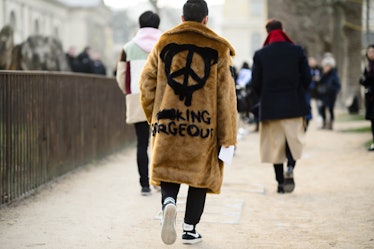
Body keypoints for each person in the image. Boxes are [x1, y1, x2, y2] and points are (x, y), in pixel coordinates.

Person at [139, 0, 237, 245]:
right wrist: (228, 137)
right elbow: (226, 99)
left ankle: (168, 203)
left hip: (168, 123)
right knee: (199, 177)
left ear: (182, 18)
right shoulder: (218, 49)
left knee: (169, 169)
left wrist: (155, 117)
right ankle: (190, 228)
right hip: (204, 128)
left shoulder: (164, 43)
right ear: (206, 19)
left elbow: (147, 83)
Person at [251, 19, 311, 194]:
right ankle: (290, 167)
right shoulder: (297, 51)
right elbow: (307, 78)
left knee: (275, 146)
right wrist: (299, 91)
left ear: (267, 32)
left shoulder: (260, 54)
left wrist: (264, 96)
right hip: (294, 104)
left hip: (270, 107)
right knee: (293, 141)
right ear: (283, 30)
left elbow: (255, 83)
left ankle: (279, 183)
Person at [115, 11, 162, 195]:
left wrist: (129, 92)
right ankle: (159, 181)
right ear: (157, 25)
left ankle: (144, 185)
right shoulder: (165, 45)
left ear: (140, 25)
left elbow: (121, 76)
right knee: (160, 143)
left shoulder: (127, 48)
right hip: (162, 100)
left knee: (141, 143)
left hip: (137, 98)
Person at [317, 54, 341, 130]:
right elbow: (320, 82)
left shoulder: (334, 74)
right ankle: (324, 123)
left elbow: (337, 85)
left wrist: (334, 91)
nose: (326, 68)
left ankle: (330, 125)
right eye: (325, 66)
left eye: (328, 66)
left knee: (330, 109)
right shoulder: (323, 74)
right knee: (322, 109)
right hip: (324, 95)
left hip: (331, 95)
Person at [360, 44, 374, 151]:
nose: (371, 54)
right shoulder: (367, 65)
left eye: (373, 52)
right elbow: (365, 80)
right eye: (369, 52)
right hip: (370, 98)